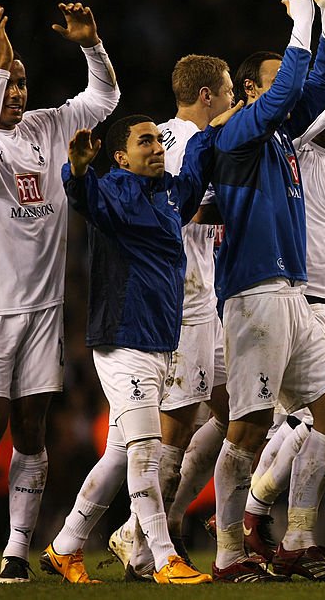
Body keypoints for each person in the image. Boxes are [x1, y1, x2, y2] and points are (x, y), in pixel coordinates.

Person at [0, 3, 119, 583]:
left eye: (20, 82)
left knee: (33, 432)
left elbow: (103, 100)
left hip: (44, 310)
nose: (17, 91)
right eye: (6, 82)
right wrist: (0, 67)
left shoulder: (46, 126)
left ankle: (17, 550)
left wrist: (92, 45)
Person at [206, 0, 325, 583]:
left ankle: (294, 535)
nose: (287, 92)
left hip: (295, 294)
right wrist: (299, 17)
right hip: (255, 294)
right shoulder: (237, 132)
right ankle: (228, 554)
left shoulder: (279, 136)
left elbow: (321, 83)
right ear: (250, 91)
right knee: (244, 429)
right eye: (273, 84)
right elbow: (293, 87)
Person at [42, 116, 216, 584]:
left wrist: (222, 119)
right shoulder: (113, 192)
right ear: (121, 156)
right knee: (146, 451)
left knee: (120, 453)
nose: (157, 147)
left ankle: (65, 546)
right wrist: (77, 171)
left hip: (159, 344)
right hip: (122, 341)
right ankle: (163, 559)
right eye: (145, 141)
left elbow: (201, 158)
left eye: (159, 139)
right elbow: (83, 196)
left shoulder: (172, 195)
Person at [107, 54, 235, 578]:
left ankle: (161, 521)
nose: (232, 98)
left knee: (240, 409)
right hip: (181, 298)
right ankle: (142, 545)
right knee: (174, 428)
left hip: (202, 294)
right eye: (228, 91)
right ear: (208, 95)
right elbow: (182, 210)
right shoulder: (179, 142)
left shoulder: (162, 137)